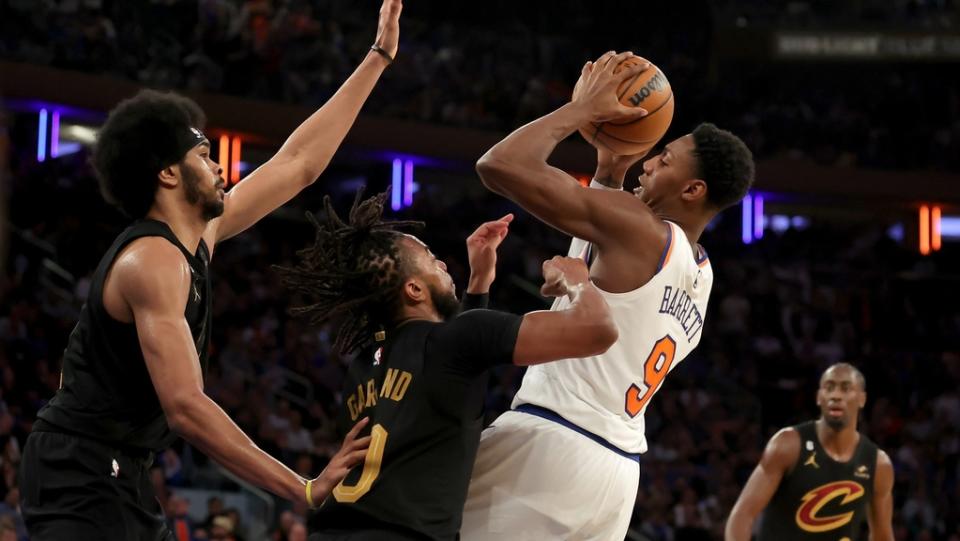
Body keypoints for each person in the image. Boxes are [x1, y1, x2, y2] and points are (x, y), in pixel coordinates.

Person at [17, 1, 403, 538]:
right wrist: (303, 486)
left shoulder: (198, 237)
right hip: (79, 469)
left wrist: (378, 57)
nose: (221, 165)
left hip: (120, 467)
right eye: (203, 155)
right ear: (168, 175)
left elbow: (299, 165)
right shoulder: (150, 262)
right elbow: (186, 407)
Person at [461, 51, 756, 540]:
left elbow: (499, 165)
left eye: (663, 160)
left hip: (550, 445)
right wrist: (609, 173)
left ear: (692, 189)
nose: (649, 161)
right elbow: (609, 263)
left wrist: (581, 110)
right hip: (616, 477)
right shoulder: (701, 276)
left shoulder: (640, 228)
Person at [274, 191, 619, 540]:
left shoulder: (362, 367)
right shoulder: (453, 342)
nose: (443, 265)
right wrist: (577, 281)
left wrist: (479, 283)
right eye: (432, 260)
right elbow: (598, 331)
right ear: (414, 289)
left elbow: (452, 364)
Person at [725, 363, 894, 541]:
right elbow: (742, 515)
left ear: (862, 399)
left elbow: (882, 536)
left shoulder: (877, 463)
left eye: (845, 388)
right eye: (829, 388)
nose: (836, 395)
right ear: (819, 397)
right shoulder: (788, 445)